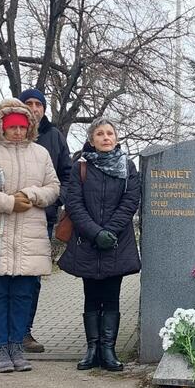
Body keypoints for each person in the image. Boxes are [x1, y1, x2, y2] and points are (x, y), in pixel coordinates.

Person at [0, 89, 72, 361]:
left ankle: (16, 345)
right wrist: (7, 202)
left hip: (30, 233)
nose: (16, 132)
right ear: (1, 126)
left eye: (21, 127)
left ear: (30, 128)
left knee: (24, 294)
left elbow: (54, 187)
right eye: (11, 126)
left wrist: (32, 195)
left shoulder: (40, 153)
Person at [57, 118, 140, 372]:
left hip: (116, 242)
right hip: (88, 242)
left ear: (116, 138)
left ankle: (109, 349)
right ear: (92, 139)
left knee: (112, 296)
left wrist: (110, 231)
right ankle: (92, 349)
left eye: (110, 133)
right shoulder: (80, 166)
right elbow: (74, 202)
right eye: (100, 134)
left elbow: (131, 200)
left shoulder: (127, 166)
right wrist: (95, 233)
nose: (106, 137)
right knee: (91, 296)